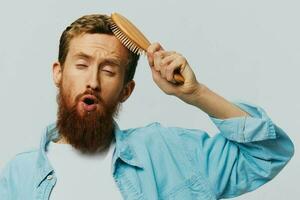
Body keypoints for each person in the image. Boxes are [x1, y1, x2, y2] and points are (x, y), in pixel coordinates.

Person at [0, 14, 294, 200]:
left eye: (109, 70)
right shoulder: (18, 175)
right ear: (58, 73)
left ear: (126, 90)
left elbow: (269, 153)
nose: (92, 81)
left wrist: (195, 93)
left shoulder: (167, 153)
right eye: (81, 64)